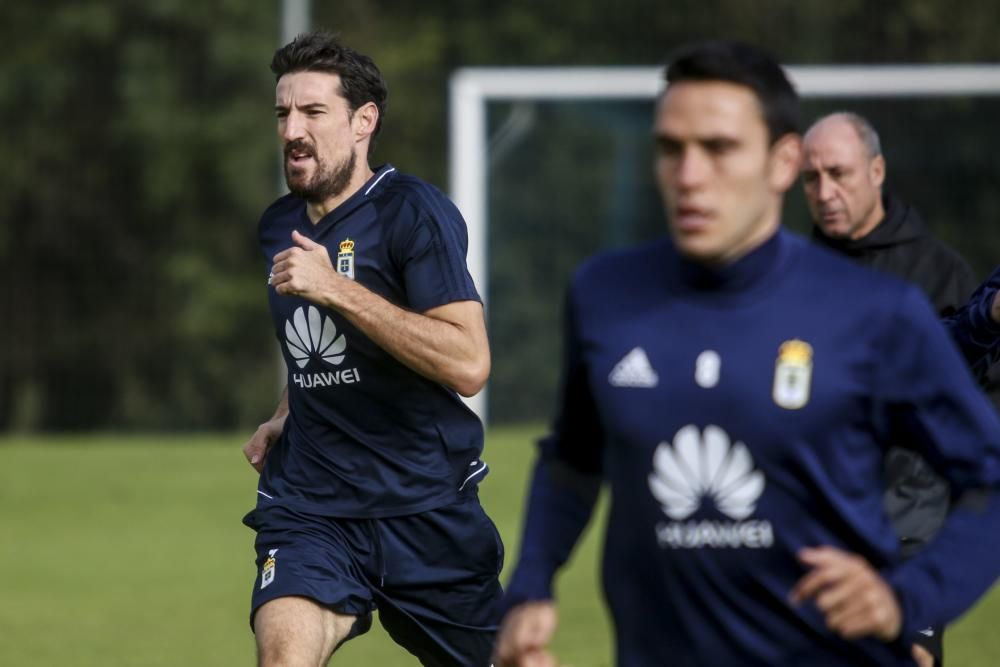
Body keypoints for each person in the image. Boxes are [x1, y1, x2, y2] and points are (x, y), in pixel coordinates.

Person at [494, 40, 1000, 667]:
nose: (689, 176)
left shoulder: (876, 313)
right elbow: (571, 458)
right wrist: (530, 589)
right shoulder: (605, 295)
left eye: (719, 148)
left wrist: (909, 598)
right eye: (670, 148)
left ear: (782, 162)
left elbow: (989, 477)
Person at [241, 31, 503, 667]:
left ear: (364, 121)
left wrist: (337, 288)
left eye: (313, 112)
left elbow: (468, 363)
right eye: (283, 113)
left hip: (424, 506)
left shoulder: (413, 213)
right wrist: (286, 410)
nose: (291, 131)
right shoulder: (279, 224)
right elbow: (319, 346)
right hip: (311, 508)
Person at [801, 111, 978, 667]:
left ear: (877, 170)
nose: (825, 192)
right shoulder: (790, 278)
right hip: (814, 531)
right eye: (812, 178)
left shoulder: (940, 277)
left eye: (839, 173)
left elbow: (982, 412)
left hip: (911, 532)